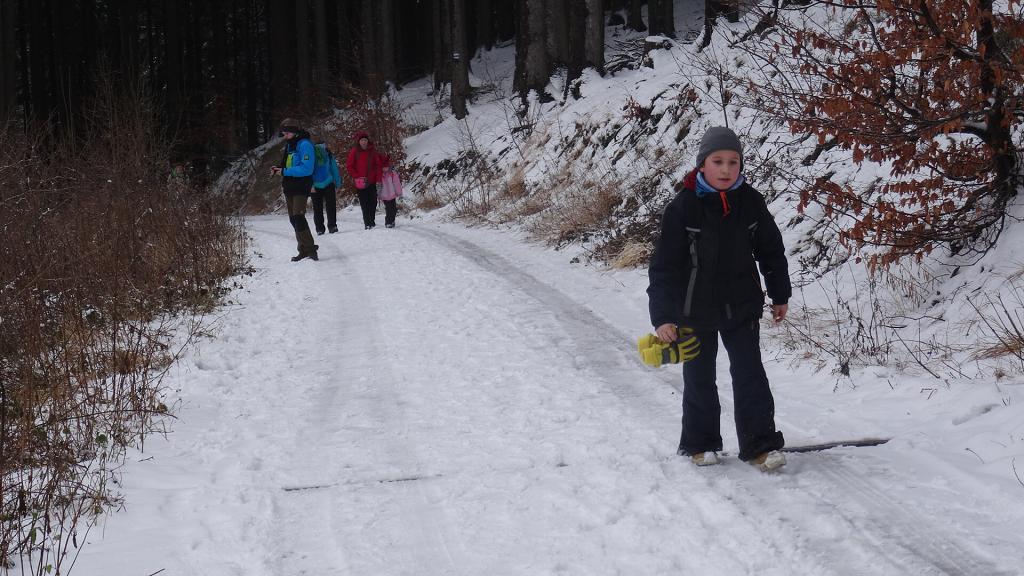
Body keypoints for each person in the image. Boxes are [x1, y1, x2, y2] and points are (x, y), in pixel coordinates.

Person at [646, 126, 791, 472]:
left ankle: (760, 446)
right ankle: (700, 443)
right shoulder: (683, 207)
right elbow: (664, 266)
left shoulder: (750, 202)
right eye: (718, 161)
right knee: (699, 377)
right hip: (694, 309)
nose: (726, 169)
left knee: (750, 374)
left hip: (742, 305)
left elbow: (771, 250)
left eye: (733, 161)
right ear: (702, 164)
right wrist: (663, 316)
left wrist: (779, 293)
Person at [271, 119, 318, 261]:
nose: (284, 136)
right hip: (289, 186)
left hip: (301, 186)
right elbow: (286, 165)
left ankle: (310, 249)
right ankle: (302, 249)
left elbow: (307, 168)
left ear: (294, 131)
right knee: (293, 219)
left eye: (286, 133)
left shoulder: (305, 145)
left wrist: (285, 171)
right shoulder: (290, 145)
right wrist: (278, 169)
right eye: (283, 134)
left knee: (298, 216)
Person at [345, 131, 383, 229]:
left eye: (365, 140)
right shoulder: (354, 151)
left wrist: (378, 179)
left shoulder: (372, 151)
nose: (364, 142)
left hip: (372, 181)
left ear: (367, 141)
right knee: (364, 203)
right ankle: (367, 223)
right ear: (359, 141)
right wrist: (356, 176)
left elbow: (378, 165)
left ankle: (372, 221)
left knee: (373, 202)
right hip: (361, 182)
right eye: (362, 140)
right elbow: (349, 166)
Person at [311, 135, 341, 235]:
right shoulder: (328, 153)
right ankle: (332, 226)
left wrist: (310, 185)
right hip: (328, 182)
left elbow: (308, 171)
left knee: (317, 208)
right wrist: (338, 183)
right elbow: (334, 169)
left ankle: (320, 229)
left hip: (315, 185)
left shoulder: (311, 153)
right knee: (331, 206)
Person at [377, 153, 400, 228]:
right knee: (389, 209)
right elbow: (377, 186)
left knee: (394, 209)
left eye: (386, 167)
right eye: (383, 167)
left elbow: (396, 183)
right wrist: (378, 195)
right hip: (385, 196)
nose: (385, 168)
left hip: (392, 195)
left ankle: (392, 221)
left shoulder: (392, 174)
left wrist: (398, 192)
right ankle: (388, 222)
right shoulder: (379, 175)